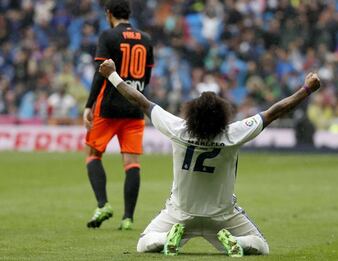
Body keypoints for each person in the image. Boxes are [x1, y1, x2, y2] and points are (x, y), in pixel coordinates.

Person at [99, 59, 321, 256]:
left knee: (144, 243)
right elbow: (274, 112)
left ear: (192, 111)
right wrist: (306, 89)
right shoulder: (233, 134)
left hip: (180, 213)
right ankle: (235, 242)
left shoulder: (178, 129)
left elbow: (141, 101)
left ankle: (168, 239)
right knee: (260, 245)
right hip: (222, 217)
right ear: (223, 114)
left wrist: (112, 74)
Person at [83, 0, 154, 230]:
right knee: (132, 162)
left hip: (109, 107)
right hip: (135, 108)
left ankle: (103, 205)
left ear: (108, 14)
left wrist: (89, 105)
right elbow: (147, 76)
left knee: (93, 154)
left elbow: (101, 73)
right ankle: (128, 218)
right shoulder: (146, 39)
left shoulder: (108, 36)